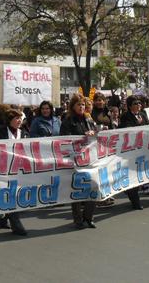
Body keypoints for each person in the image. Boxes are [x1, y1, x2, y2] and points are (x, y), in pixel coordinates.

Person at [0, 109, 29, 236]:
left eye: (20, 118)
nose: (19, 120)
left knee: (16, 193)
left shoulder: (24, 133)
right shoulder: (0, 131)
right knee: (11, 193)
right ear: (9, 120)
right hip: (3, 168)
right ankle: (16, 223)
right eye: (16, 118)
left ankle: (4, 218)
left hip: (19, 168)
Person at [60, 94, 97, 229]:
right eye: (78, 105)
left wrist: (94, 133)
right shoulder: (68, 122)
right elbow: (64, 140)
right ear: (73, 107)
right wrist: (82, 138)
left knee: (93, 186)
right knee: (77, 190)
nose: (81, 107)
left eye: (82, 104)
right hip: (75, 160)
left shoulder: (89, 120)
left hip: (90, 159)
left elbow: (97, 135)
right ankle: (78, 219)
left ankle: (89, 217)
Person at [119, 96, 149, 209]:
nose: (138, 105)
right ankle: (135, 202)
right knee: (134, 175)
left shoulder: (143, 115)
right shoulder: (125, 117)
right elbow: (126, 131)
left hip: (146, 149)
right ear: (129, 106)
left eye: (139, 103)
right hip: (132, 151)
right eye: (135, 103)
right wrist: (138, 124)